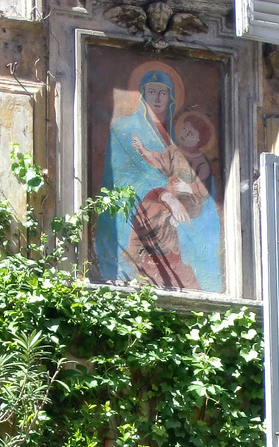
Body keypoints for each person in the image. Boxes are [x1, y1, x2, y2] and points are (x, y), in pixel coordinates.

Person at [95, 70, 222, 292]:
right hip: (145, 200)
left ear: (171, 97)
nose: (157, 98)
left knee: (205, 218)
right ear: (142, 95)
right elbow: (121, 178)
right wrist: (166, 195)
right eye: (151, 92)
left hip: (186, 199)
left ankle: (200, 279)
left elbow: (201, 178)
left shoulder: (181, 133)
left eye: (162, 93)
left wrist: (188, 192)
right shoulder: (124, 129)